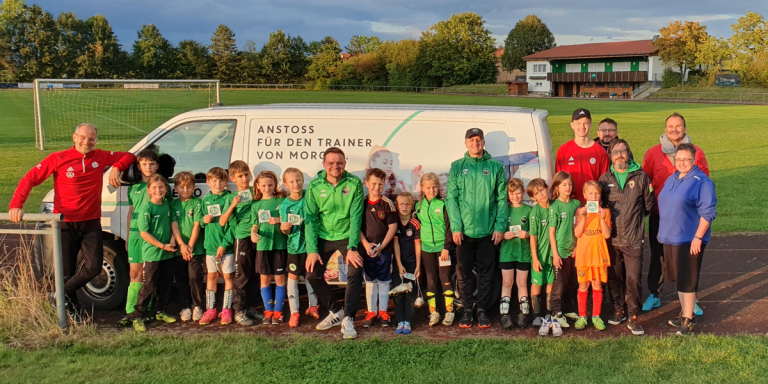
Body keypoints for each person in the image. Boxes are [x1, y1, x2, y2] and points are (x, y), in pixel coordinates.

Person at [9, 123, 135, 320]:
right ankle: (72, 311)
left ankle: (58, 295)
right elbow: (30, 178)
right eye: (83, 138)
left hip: (91, 222)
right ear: (74, 137)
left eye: (92, 138)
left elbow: (130, 156)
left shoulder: (100, 156)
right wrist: (16, 204)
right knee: (66, 272)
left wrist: (116, 167)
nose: (87, 142)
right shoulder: (58, 158)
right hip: (64, 223)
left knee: (93, 268)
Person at [642, 113, 710, 314]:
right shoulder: (653, 153)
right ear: (665, 129)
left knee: (689, 260)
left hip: (688, 218)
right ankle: (654, 293)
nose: (674, 129)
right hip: (660, 215)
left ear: (685, 128)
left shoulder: (697, 152)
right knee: (658, 256)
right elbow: (646, 182)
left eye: (678, 126)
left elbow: (703, 182)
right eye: (670, 126)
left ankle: (690, 298)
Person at [446, 128, 507, 329]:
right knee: (463, 272)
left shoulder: (495, 167)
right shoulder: (457, 167)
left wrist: (499, 226)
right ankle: (466, 310)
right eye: (471, 140)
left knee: (485, 273)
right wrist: (456, 227)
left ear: (483, 143)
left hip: (488, 231)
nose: (475, 143)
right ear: (466, 143)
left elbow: (501, 199)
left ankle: (481, 309)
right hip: (463, 232)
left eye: (478, 140)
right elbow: (451, 199)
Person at [304, 147, 365, 339]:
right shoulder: (314, 187)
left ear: (345, 163)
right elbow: (310, 220)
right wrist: (312, 250)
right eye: (330, 163)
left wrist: (353, 247)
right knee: (312, 275)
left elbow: (356, 217)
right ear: (324, 165)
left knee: (355, 271)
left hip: (347, 236)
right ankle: (335, 311)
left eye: (339, 163)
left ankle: (348, 318)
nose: (335, 167)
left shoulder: (354, 183)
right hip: (323, 236)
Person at [658, 143, 717, 335]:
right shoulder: (672, 178)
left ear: (694, 160)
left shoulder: (702, 182)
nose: (682, 163)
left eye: (686, 159)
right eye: (679, 159)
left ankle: (689, 319)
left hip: (688, 239)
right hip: (671, 237)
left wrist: (698, 237)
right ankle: (684, 313)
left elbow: (707, 213)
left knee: (688, 279)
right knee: (679, 278)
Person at [599, 139, 654, 336]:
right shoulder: (604, 179)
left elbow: (648, 206)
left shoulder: (641, 177)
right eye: (615, 152)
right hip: (612, 240)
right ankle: (618, 309)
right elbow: (601, 208)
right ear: (610, 156)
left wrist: (635, 224)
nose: (619, 155)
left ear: (629, 153)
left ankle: (633, 315)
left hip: (633, 239)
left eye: (623, 151)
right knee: (614, 277)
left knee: (633, 279)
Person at [127, 174, 185, 332]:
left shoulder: (167, 205)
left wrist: (173, 240)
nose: (158, 190)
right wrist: (162, 245)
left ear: (166, 189)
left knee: (165, 284)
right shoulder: (146, 208)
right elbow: (144, 233)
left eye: (161, 187)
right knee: (148, 285)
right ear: (149, 190)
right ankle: (137, 315)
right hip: (153, 253)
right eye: (155, 188)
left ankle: (161, 311)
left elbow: (173, 224)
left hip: (168, 252)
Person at [119, 149, 163, 327]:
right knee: (134, 273)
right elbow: (131, 212)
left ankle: (145, 310)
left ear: (157, 166)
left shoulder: (160, 187)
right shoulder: (134, 188)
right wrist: (128, 236)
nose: (148, 167)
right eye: (144, 164)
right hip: (137, 235)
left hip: (152, 236)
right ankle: (131, 310)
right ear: (138, 166)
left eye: (151, 164)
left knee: (149, 274)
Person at [219, 160, 258, 327]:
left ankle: (251, 308)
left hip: (257, 237)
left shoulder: (256, 192)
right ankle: (239, 311)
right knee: (241, 275)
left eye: (246, 174)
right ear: (233, 178)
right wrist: (233, 205)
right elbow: (222, 222)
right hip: (242, 239)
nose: (244, 178)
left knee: (255, 274)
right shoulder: (230, 197)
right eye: (240, 176)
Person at [279, 168, 320, 328]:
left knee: (310, 277)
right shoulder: (285, 205)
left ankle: (313, 306)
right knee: (293, 279)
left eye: (298, 180)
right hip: (294, 249)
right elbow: (285, 231)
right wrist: (285, 227)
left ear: (303, 180)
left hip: (310, 248)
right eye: (291, 181)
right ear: (285, 184)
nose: (295, 184)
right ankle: (294, 312)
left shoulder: (309, 197)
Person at [415, 172, 455, 327]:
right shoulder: (418, 206)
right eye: (428, 188)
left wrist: (446, 247)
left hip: (442, 249)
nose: (432, 190)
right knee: (431, 280)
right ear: (423, 189)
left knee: (445, 279)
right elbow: (416, 224)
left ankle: (450, 312)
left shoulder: (443, 204)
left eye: (434, 187)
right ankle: (433, 313)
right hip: (427, 249)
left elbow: (449, 226)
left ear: (439, 188)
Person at [360, 168, 398, 328]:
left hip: (384, 250)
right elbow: (357, 228)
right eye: (374, 183)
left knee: (383, 280)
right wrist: (366, 244)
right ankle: (371, 311)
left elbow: (393, 227)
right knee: (369, 280)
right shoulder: (361, 204)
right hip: (367, 250)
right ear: (366, 183)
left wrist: (381, 247)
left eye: (380, 184)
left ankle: (383, 310)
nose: (377, 187)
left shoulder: (387, 203)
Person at [250, 171, 289, 325]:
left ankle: (278, 312)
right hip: (263, 246)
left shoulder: (282, 201)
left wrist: (279, 219)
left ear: (275, 186)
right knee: (264, 279)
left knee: (279, 278)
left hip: (279, 245)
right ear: (258, 187)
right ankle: (268, 311)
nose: (267, 188)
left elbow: (289, 218)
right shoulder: (256, 205)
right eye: (264, 185)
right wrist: (253, 234)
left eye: (270, 185)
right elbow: (254, 226)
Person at [199, 167, 236, 326]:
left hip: (225, 247)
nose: (218, 184)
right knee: (211, 277)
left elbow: (233, 225)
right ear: (208, 183)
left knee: (228, 277)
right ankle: (210, 310)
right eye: (214, 181)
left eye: (221, 180)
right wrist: (203, 220)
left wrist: (225, 244)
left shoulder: (229, 199)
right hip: (210, 247)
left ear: (226, 181)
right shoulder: (205, 200)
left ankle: (226, 310)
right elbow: (200, 220)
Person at [573, 181, 611, 332]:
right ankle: (582, 316)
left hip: (598, 255)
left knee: (597, 285)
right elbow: (577, 234)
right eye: (590, 194)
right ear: (584, 195)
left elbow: (607, 235)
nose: (594, 197)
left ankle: (596, 316)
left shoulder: (605, 212)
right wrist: (583, 217)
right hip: (583, 256)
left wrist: (602, 218)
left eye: (596, 194)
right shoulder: (579, 211)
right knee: (583, 285)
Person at [170, 171, 206, 323]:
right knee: (181, 279)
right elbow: (174, 226)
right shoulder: (173, 205)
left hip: (194, 249)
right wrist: (182, 246)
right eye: (182, 187)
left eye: (189, 187)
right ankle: (185, 307)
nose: (185, 190)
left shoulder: (197, 203)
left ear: (194, 187)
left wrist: (190, 246)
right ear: (176, 188)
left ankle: (197, 306)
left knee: (194, 278)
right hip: (179, 250)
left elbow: (197, 225)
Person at [547, 171, 580, 336]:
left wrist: (577, 246)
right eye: (564, 185)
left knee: (572, 283)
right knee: (559, 284)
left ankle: (568, 309)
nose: (568, 187)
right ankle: (556, 313)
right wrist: (555, 254)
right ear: (557, 187)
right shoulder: (555, 207)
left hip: (573, 251)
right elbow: (551, 233)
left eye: (570, 184)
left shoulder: (576, 204)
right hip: (559, 252)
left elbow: (579, 229)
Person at [555, 108, 610, 205]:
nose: (582, 126)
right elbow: (558, 182)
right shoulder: (563, 150)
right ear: (572, 125)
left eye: (585, 123)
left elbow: (604, 183)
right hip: (569, 205)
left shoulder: (600, 151)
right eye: (578, 123)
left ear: (591, 124)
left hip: (592, 206)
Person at [499, 178, 532, 329]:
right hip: (507, 252)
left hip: (523, 253)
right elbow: (498, 229)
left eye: (518, 193)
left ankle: (523, 314)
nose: (515, 197)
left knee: (522, 283)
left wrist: (527, 234)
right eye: (512, 194)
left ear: (523, 193)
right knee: (507, 283)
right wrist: (503, 235)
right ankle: (504, 315)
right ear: (507, 195)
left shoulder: (528, 210)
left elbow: (535, 231)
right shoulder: (504, 210)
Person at [526, 178, 554, 333]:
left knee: (551, 283)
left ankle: (549, 314)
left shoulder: (555, 206)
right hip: (539, 255)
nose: (541, 194)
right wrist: (535, 258)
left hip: (553, 254)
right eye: (537, 194)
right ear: (533, 198)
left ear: (547, 188)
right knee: (537, 283)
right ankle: (537, 314)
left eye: (542, 190)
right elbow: (533, 237)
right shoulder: (534, 212)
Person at [392, 192, 421, 335]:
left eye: (408, 204)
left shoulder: (415, 223)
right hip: (399, 264)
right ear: (397, 206)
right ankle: (400, 321)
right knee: (398, 292)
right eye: (401, 204)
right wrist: (399, 264)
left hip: (411, 264)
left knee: (410, 292)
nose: (404, 206)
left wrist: (417, 265)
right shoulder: (394, 222)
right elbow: (396, 244)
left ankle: (408, 321)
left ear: (412, 206)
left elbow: (417, 245)